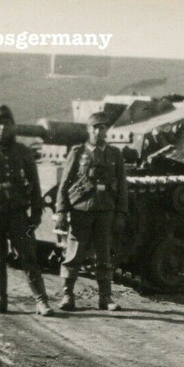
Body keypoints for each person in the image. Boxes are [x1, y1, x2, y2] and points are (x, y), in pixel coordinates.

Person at [0, 104, 53, 316]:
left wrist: (36, 213)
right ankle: (0, 298)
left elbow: (35, 185)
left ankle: (42, 301)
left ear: (13, 126)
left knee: (28, 256)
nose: (2, 128)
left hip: (18, 213)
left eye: (7, 124)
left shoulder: (24, 153)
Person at [54, 112, 129, 311]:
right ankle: (67, 295)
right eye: (95, 127)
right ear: (89, 130)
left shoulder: (114, 154)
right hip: (82, 211)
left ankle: (105, 298)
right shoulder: (78, 153)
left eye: (102, 127)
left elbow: (122, 186)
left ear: (106, 130)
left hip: (105, 211)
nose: (98, 131)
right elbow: (64, 184)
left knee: (104, 256)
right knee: (74, 255)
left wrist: (121, 213)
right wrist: (61, 210)